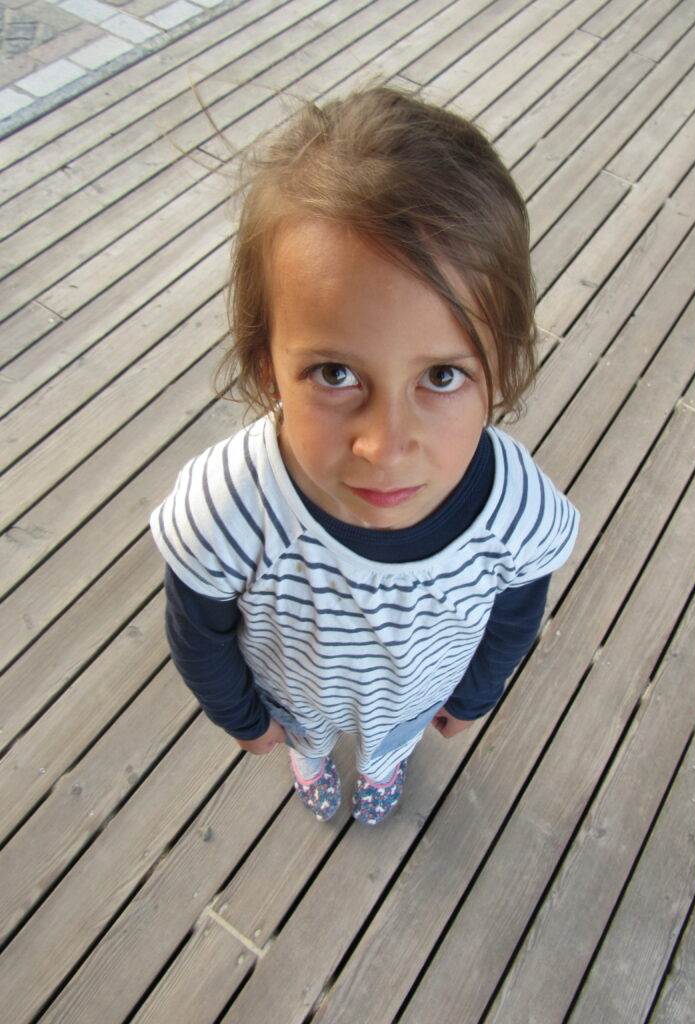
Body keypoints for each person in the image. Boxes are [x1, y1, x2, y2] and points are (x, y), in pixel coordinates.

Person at [149, 83, 580, 827]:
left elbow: (517, 611)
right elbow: (199, 632)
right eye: (334, 374)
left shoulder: (515, 507)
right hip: (293, 700)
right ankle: (311, 759)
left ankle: (382, 764)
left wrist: (475, 695)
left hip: (412, 702)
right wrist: (247, 721)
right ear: (267, 368)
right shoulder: (227, 506)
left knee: (390, 741)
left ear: (499, 368)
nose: (384, 448)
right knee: (307, 737)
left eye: (441, 377)